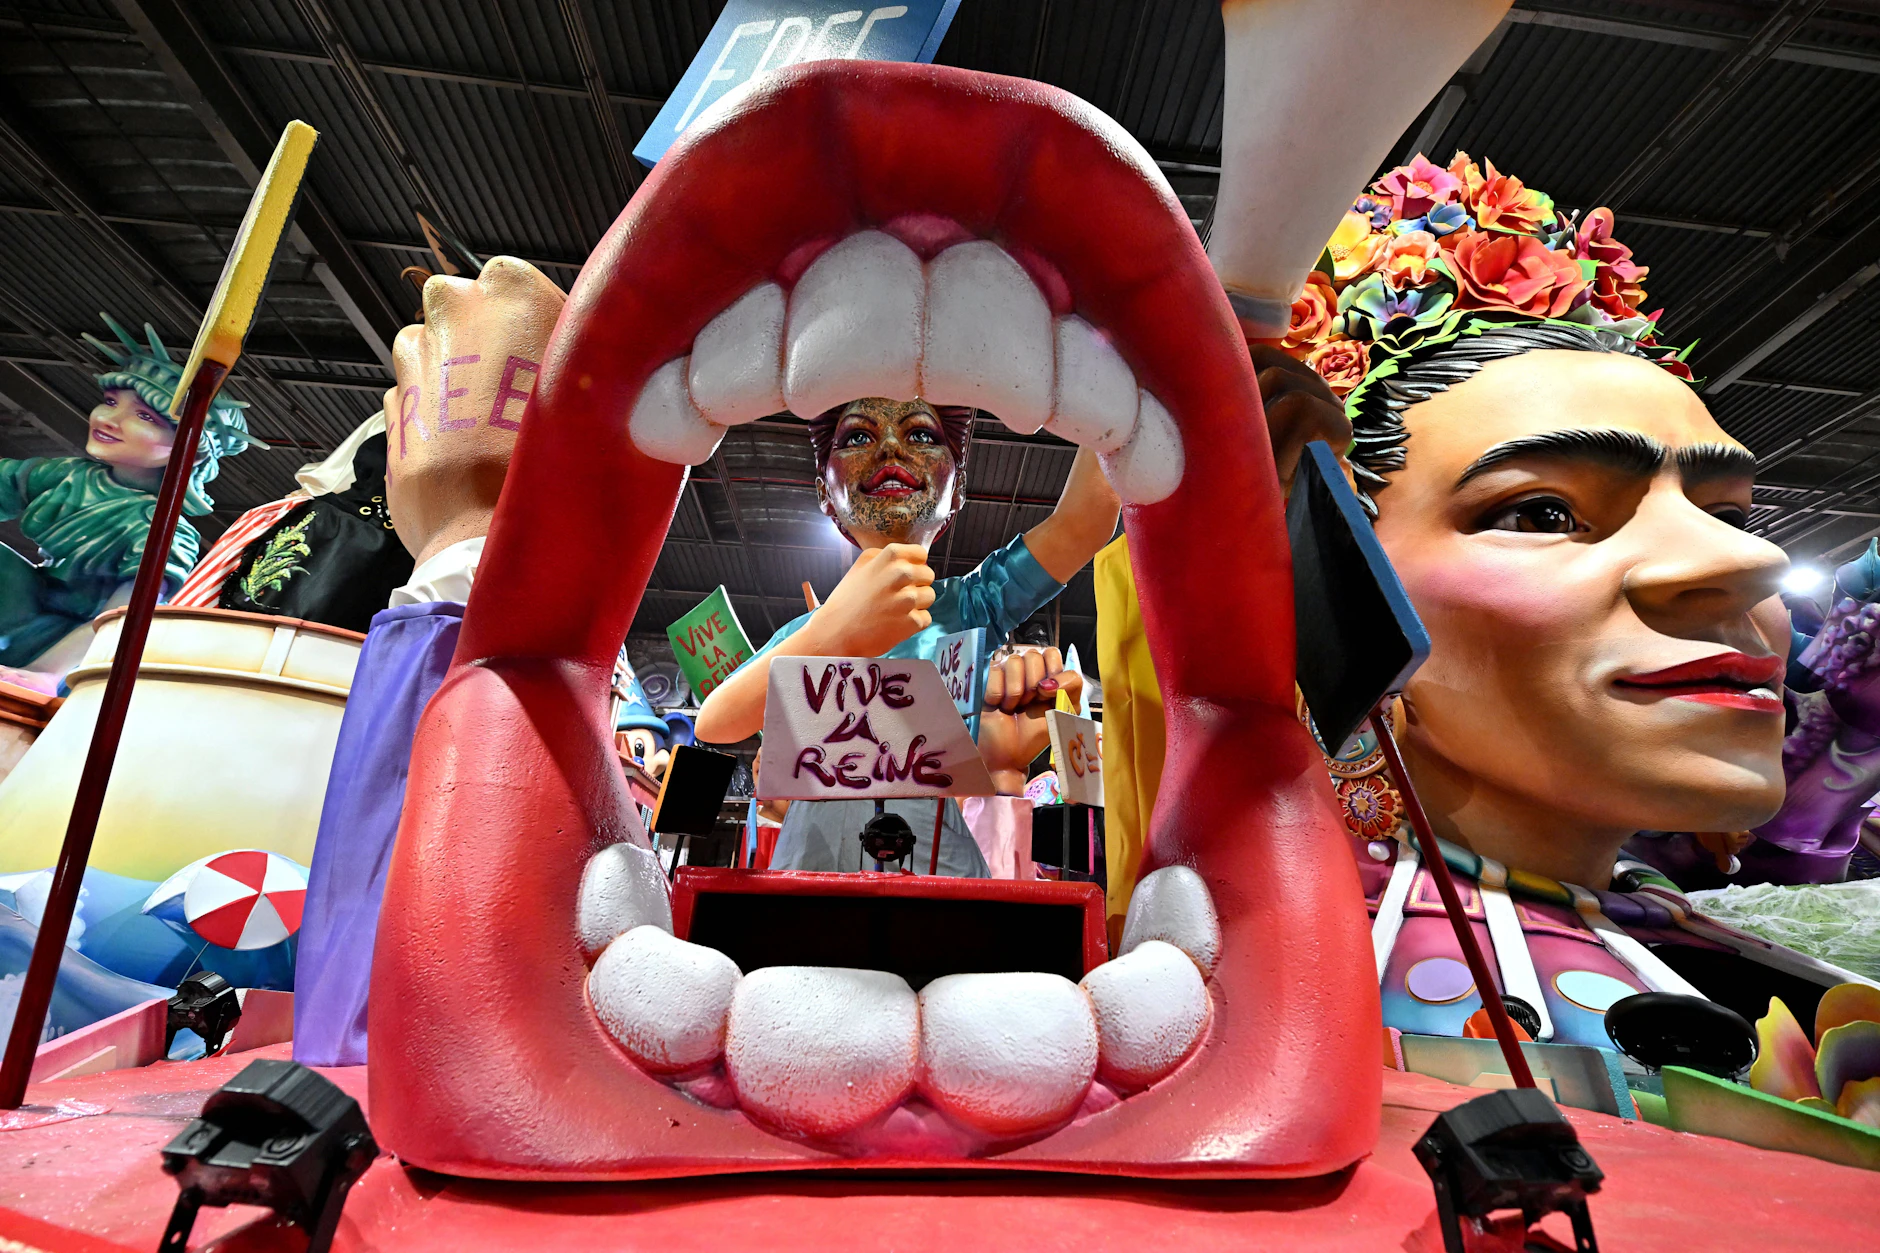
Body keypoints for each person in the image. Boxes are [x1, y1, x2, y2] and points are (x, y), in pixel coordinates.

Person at [1243, 151, 1878, 1046]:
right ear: (1332, 580)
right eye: (1545, 511)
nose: (1750, 562)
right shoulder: (1278, 991)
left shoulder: (1775, 985)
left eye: (1730, 510)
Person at [694, 397, 1119, 875]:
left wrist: (1109, 380)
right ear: (824, 491)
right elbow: (713, 722)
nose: (891, 449)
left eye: (921, 435)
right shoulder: (808, 632)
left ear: (956, 488)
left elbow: (1083, 521)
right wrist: (831, 633)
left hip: (937, 853)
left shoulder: (972, 602)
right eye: (858, 437)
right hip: (817, 857)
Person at [0, 315, 255, 679]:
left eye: (144, 416)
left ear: (189, 450)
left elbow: (120, 623)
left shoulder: (162, 530)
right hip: (22, 605)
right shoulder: (65, 475)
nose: (108, 418)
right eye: (109, 401)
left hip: (74, 650)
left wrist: (43, 674)